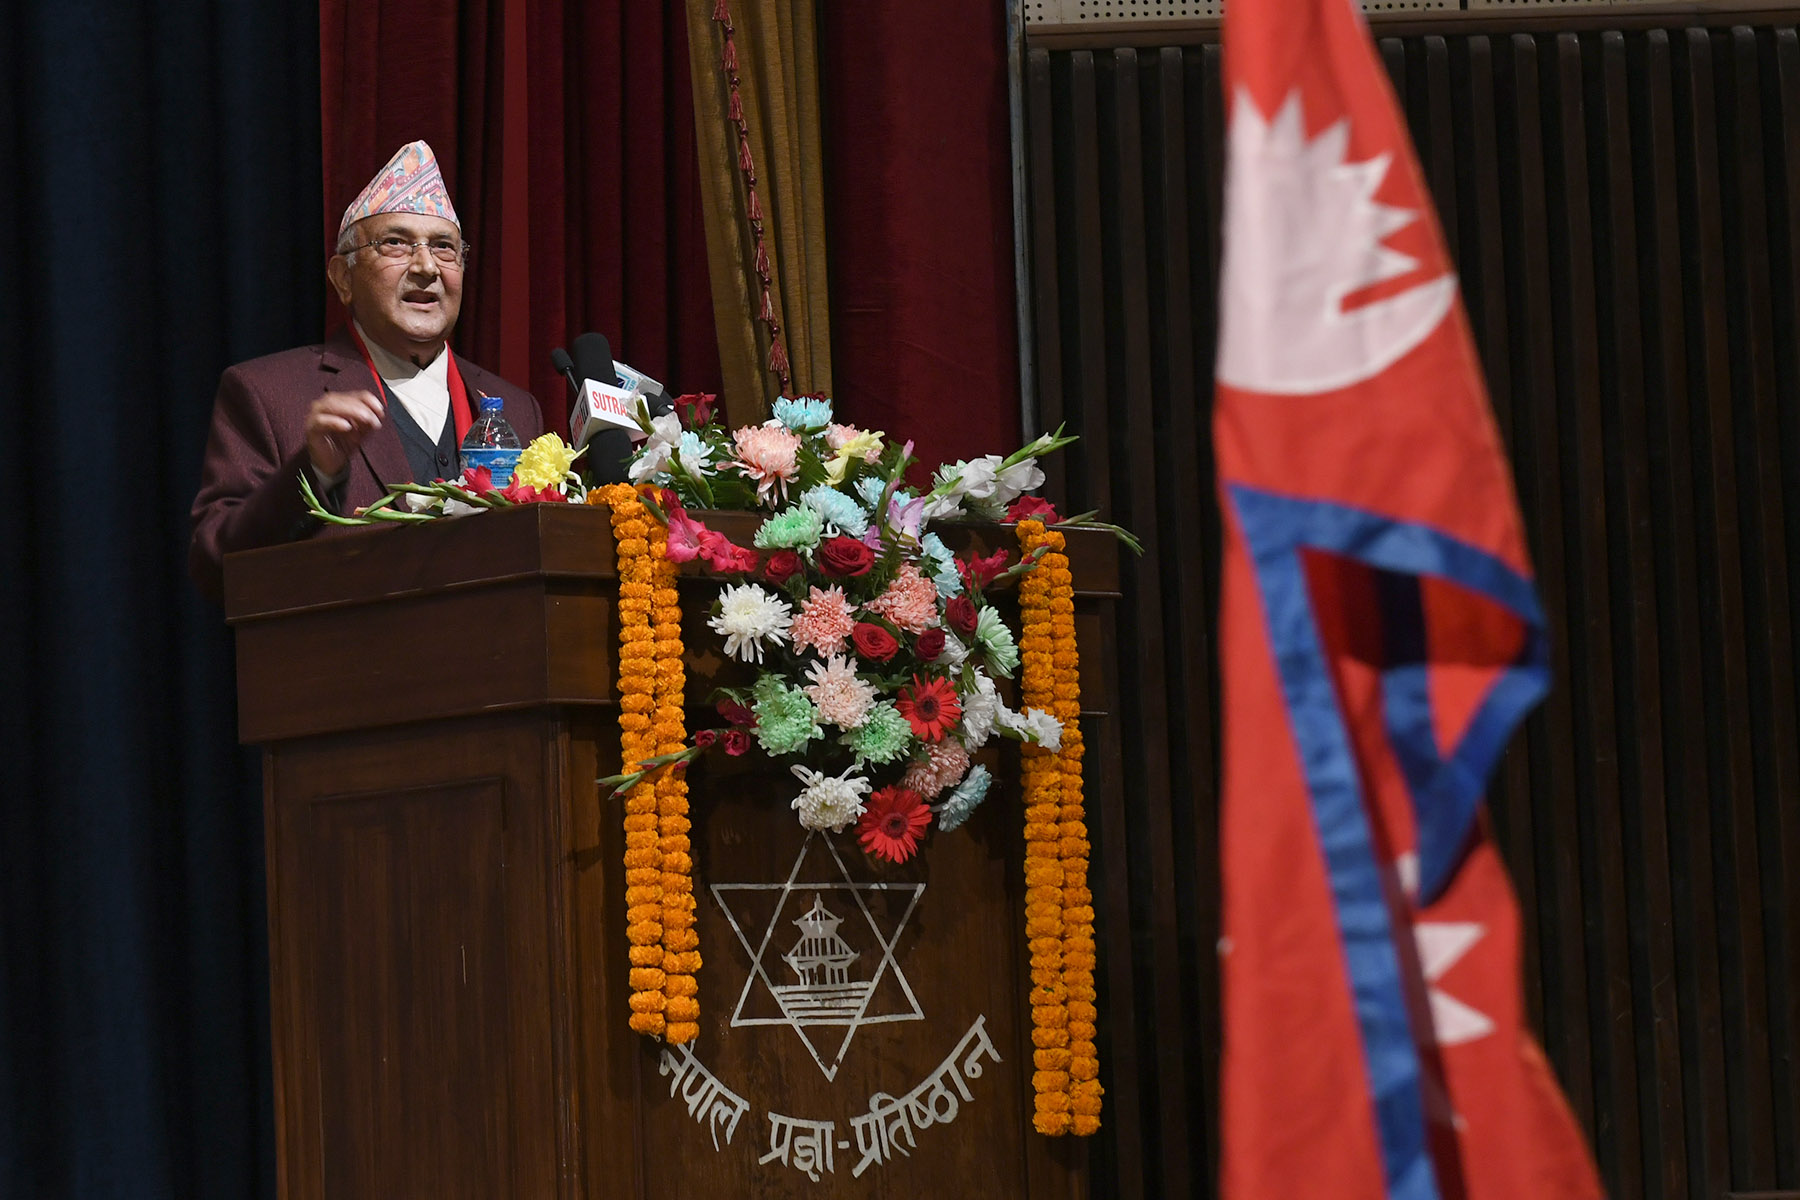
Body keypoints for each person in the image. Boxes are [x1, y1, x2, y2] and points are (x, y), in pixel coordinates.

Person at [189, 140, 543, 602]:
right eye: (395, 243)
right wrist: (314, 472)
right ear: (342, 277)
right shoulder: (267, 392)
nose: (425, 267)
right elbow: (215, 566)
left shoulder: (517, 407)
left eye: (444, 248)